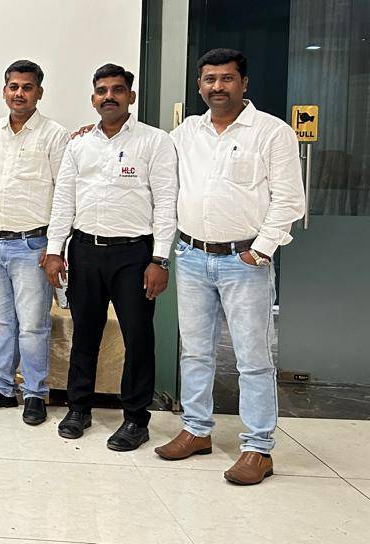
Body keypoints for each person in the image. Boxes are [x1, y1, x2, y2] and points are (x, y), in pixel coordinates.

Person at [154, 48, 304, 485]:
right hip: (192, 256)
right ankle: (196, 430)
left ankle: (258, 448)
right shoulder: (185, 133)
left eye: (227, 78)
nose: (217, 87)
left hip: (244, 261)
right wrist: (92, 134)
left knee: (253, 358)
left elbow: (289, 200)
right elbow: (150, 162)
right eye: (209, 79)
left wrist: (262, 249)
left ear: (244, 83)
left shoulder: (272, 132)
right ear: (199, 85)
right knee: (195, 351)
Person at [44, 64, 177, 451]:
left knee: (138, 337)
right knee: (84, 333)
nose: (109, 97)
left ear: (131, 97)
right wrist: (54, 250)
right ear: (93, 99)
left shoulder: (155, 141)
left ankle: (135, 418)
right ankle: (78, 408)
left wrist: (160, 259)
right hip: (85, 251)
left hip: (134, 254)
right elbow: (63, 201)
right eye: (102, 91)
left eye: (117, 90)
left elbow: (166, 203)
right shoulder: (79, 145)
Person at [0, 60, 69, 425]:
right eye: (13, 87)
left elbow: (64, 195)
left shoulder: (54, 135)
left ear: (39, 92)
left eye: (27, 87)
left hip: (33, 246)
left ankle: (35, 392)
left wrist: (55, 247)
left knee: (33, 325)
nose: (19, 93)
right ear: (4, 91)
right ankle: (3, 388)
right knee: (1, 321)